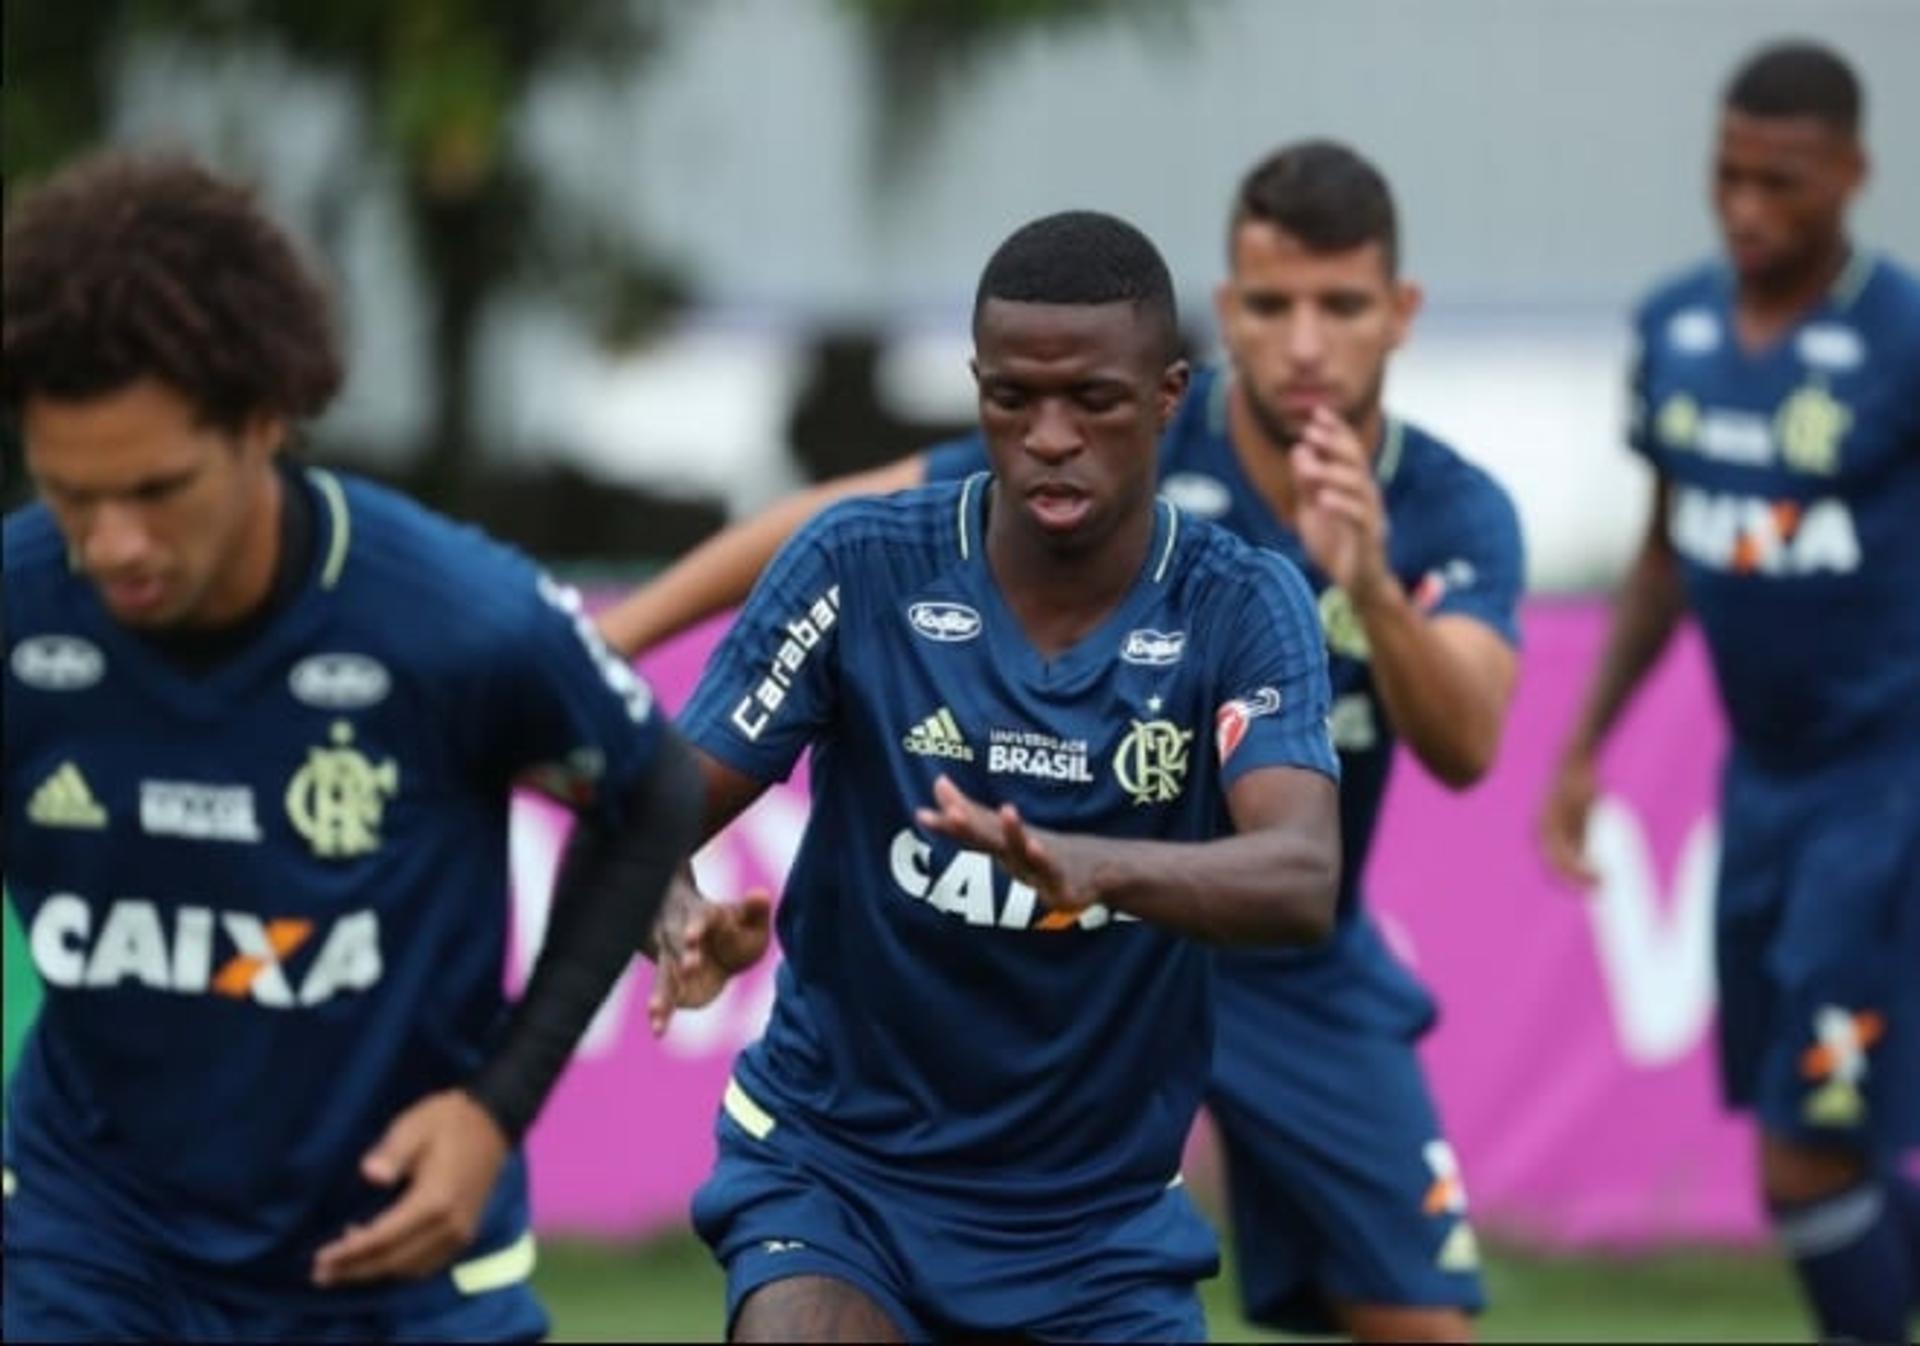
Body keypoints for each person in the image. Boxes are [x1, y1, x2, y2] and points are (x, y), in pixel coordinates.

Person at [601, 142, 1524, 1342]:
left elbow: (1377, 813)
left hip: (1212, 1028)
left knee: (1419, 1318)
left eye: (1090, 399)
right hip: (850, 1156)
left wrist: (1097, 862)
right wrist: (664, 894)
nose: (1047, 434)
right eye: (1010, 399)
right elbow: (655, 801)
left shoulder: (1304, 570)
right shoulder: (879, 555)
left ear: (1162, 392)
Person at [2, 150, 706, 1341]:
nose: (111, 541)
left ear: (264, 422)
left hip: (394, 1250)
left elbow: (652, 786)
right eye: (72, 494)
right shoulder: (20, 607)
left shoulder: (456, 616)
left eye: (157, 488)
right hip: (97, 1237)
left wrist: (493, 1109)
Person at [1539, 40, 1920, 1345]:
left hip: (1884, 791)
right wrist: (1585, 744)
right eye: (1729, 176)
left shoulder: (1903, 334)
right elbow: (1667, 551)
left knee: (1808, 1154)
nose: (1749, 207)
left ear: (1853, 174)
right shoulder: (1674, 329)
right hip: (1760, 789)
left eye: (1784, 181)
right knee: (1807, 1147)